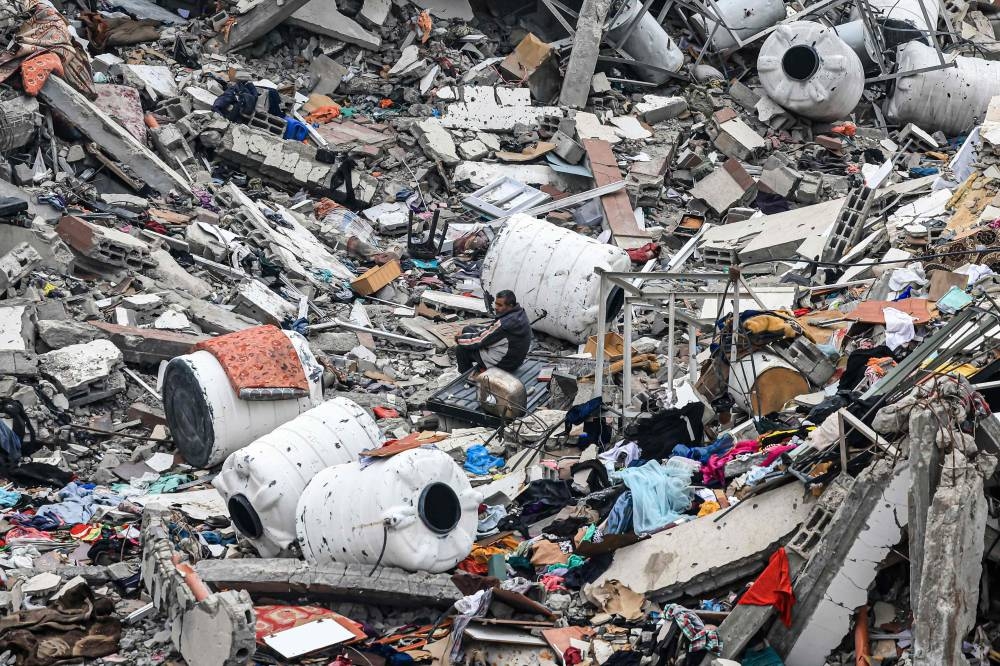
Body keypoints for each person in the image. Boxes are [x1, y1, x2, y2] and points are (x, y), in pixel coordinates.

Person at [455, 290, 532, 374]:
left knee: (461, 349)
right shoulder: (520, 312)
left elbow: (480, 340)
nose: (496, 307)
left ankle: (468, 377)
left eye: (500, 305)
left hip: (505, 364)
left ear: (510, 306)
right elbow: (490, 330)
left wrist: (458, 339)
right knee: (468, 329)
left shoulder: (505, 324)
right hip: (514, 359)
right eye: (496, 304)